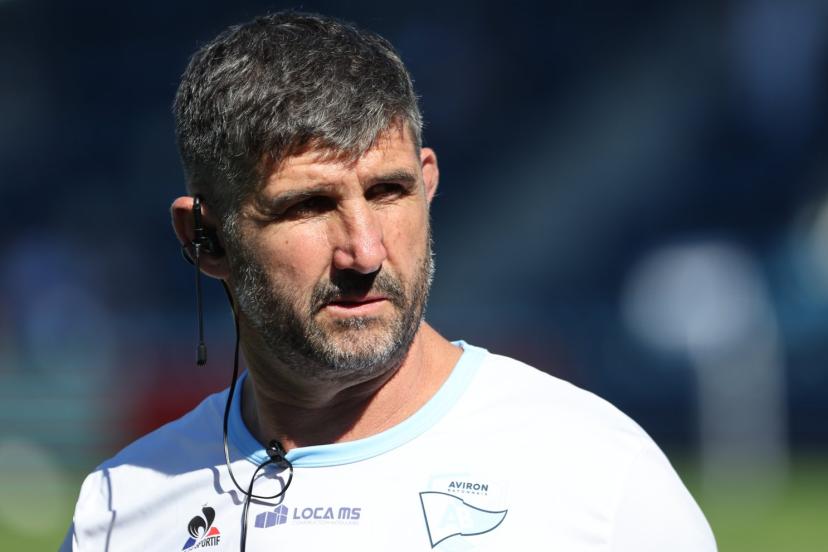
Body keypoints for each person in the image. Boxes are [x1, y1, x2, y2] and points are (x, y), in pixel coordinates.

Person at [62, 11, 716, 552]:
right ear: (204, 238)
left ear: (428, 185)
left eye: (388, 192)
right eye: (309, 206)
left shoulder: (599, 480)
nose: (364, 252)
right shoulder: (120, 511)